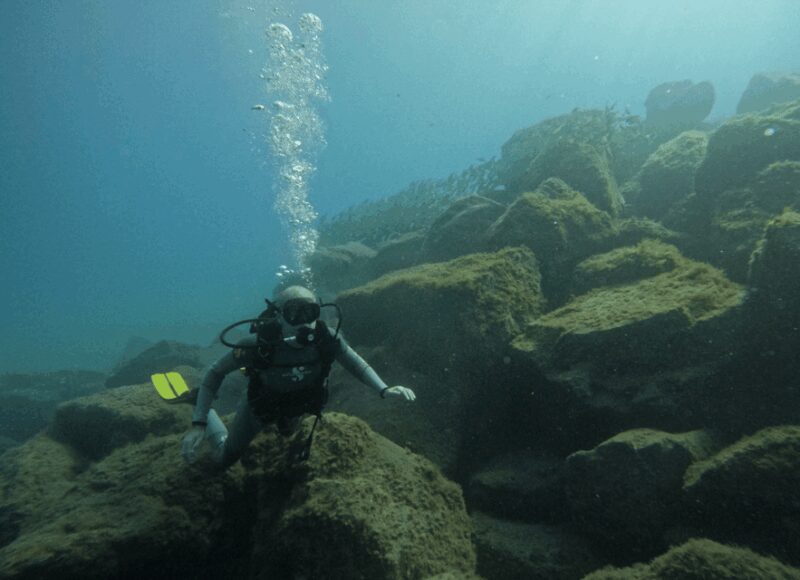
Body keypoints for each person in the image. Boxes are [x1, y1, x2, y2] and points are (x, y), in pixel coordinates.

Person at [181, 285, 415, 469]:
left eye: (310, 312)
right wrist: (199, 424)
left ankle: (280, 426)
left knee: (288, 439)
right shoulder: (258, 345)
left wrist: (384, 389)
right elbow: (215, 372)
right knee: (225, 459)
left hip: (298, 409)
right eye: (294, 312)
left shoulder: (326, 339)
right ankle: (207, 413)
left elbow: (356, 364)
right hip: (258, 409)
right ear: (278, 315)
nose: (304, 321)